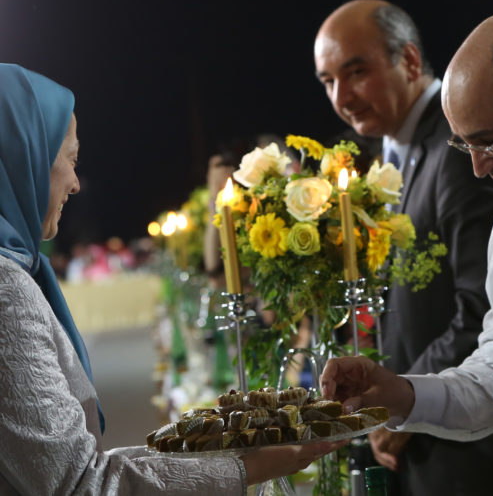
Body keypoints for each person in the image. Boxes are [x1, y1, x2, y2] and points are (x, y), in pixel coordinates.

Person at [0, 63, 343, 495]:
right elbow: (79, 482)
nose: (75, 183)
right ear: (22, 156)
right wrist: (246, 467)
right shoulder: (5, 291)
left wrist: (220, 452)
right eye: (70, 159)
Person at [314, 0, 493, 495]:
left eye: (356, 72)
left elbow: (472, 309)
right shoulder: (402, 154)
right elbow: (492, 368)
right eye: (328, 81)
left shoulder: (456, 150)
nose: (342, 96)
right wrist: (397, 393)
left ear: (411, 61)